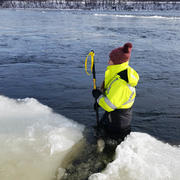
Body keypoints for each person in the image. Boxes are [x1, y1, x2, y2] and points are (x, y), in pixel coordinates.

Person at [92, 42, 139, 142]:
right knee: (99, 131)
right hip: (113, 115)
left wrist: (99, 98)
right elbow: (110, 90)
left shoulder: (122, 83)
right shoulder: (118, 73)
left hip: (118, 124)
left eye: (110, 60)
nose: (108, 62)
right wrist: (99, 98)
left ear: (116, 62)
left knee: (110, 144)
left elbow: (109, 105)